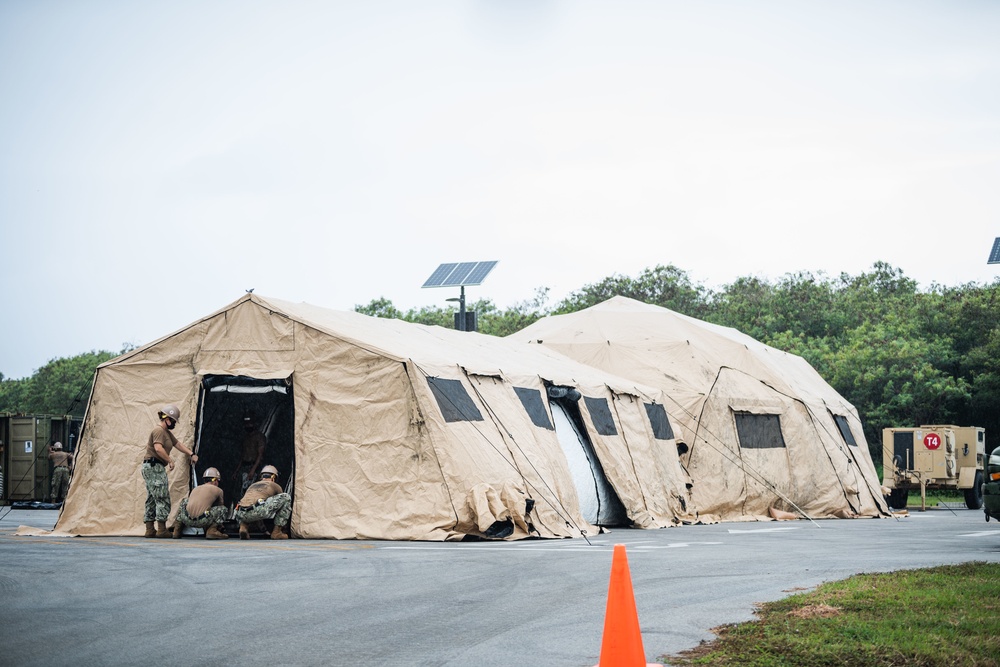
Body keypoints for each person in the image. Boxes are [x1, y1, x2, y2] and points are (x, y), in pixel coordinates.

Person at [142, 404, 198, 538]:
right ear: (166, 418)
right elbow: (158, 449)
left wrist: (191, 453)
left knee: (152, 497)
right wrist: (170, 460)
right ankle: (161, 530)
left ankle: (150, 529)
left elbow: (177, 444)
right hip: (154, 466)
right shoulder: (159, 431)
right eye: (172, 421)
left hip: (153, 466)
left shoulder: (167, 433)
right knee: (162, 496)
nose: (174, 423)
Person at [234, 464, 291, 540]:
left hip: (240, 513)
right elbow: (281, 501)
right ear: (273, 477)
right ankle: (277, 532)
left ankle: (243, 527)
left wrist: (264, 530)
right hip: (257, 511)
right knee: (285, 497)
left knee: (255, 503)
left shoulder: (252, 485)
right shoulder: (274, 485)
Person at [172, 467, 229, 539]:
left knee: (185, 502)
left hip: (186, 519)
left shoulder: (195, 489)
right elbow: (220, 505)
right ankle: (212, 531)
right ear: (215, 480)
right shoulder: (218, 490)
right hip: (202, 520)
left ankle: (177, 530)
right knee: (223, 509)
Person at [234, 415, 267, 496]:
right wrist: (237, 471)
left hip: (254, 466)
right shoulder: (245, 438)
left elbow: (260, 455)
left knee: (252, 490)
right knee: (239, 491)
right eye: (246, 424)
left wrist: (253, 470)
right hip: (244, 466)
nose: (248, 426)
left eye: (250, 423)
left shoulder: (259, 437)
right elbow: (243, 455)